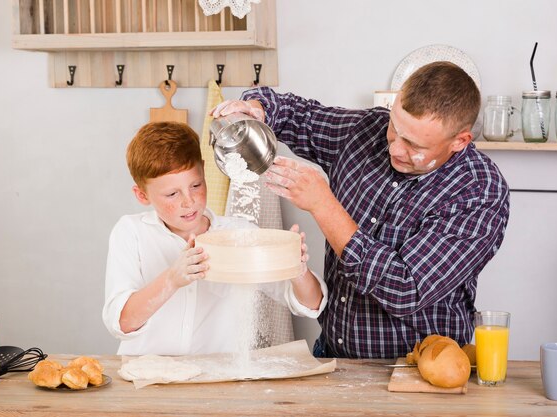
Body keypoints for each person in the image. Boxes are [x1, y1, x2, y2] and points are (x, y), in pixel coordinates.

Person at [211, 61, 510, 359]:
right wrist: (257, 109)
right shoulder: (366, 131)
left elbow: (405, 288)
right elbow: (297, 115)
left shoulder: (479, 191)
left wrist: (323, 205)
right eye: (395, 127)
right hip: (332, 355)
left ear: (460, 141)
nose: (394, 148)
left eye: (413, 145)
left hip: (420, 372)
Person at [102, 121, 327, 356]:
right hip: (145, 376)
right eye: (172, 194)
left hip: (217, 379)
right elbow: (122, 323)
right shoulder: (131, 232)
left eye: (196, 185)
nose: (188, 201)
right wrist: (172, 279)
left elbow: (310, 305)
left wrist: (297, 269)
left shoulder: (239, 235)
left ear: (204, 169)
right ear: (141, 195)